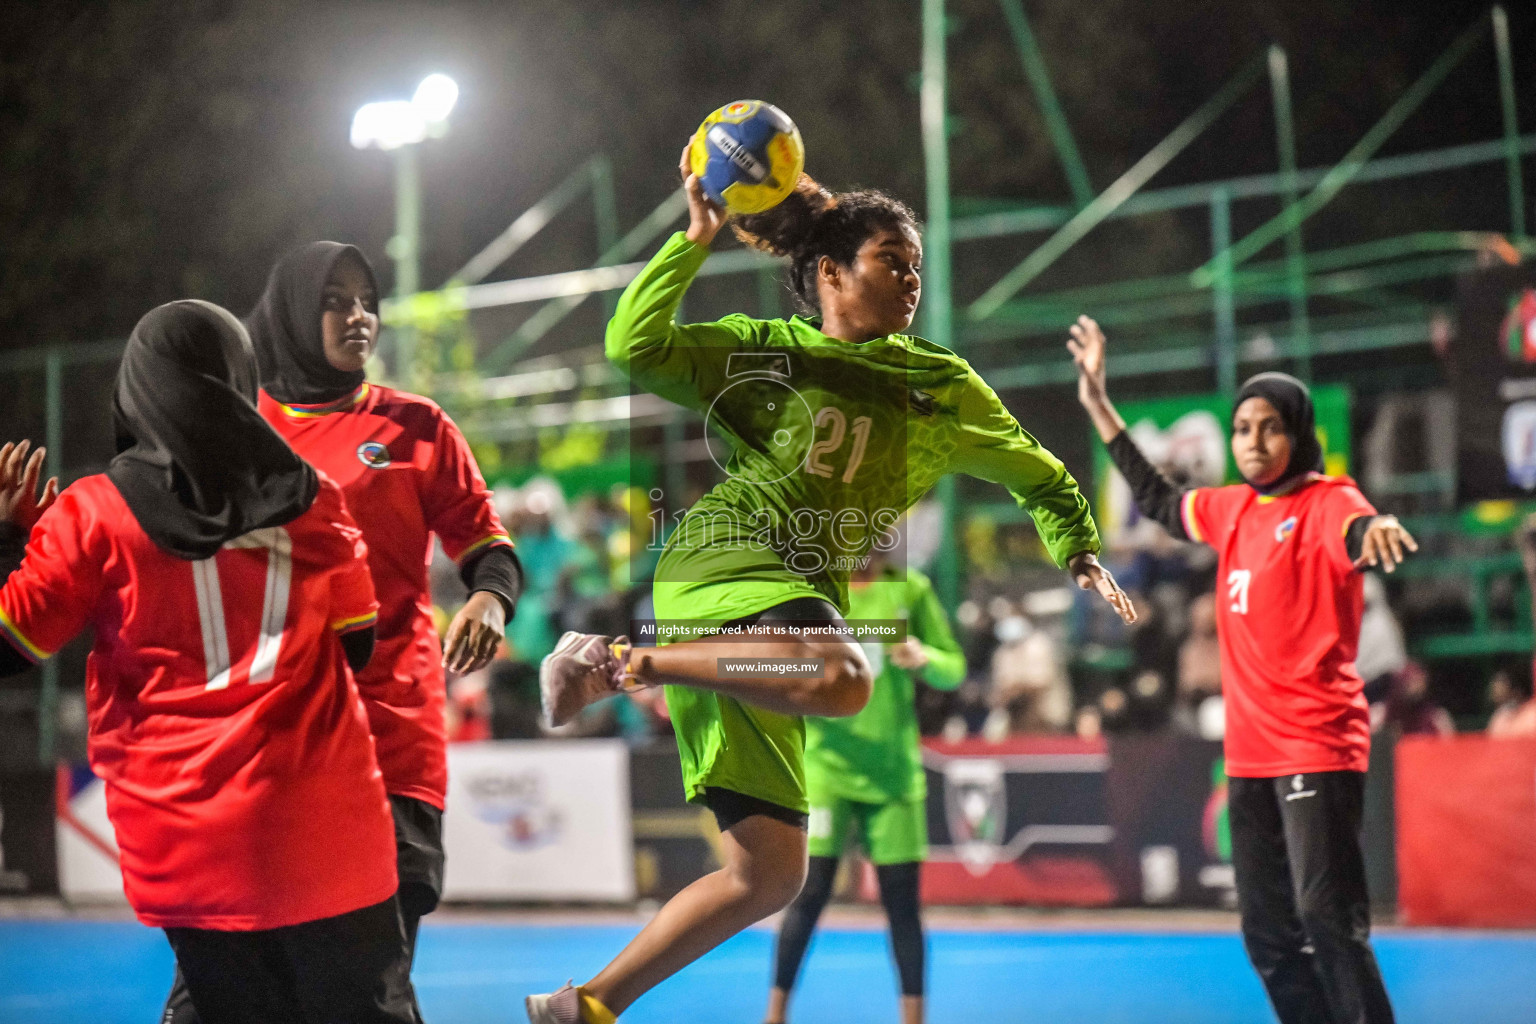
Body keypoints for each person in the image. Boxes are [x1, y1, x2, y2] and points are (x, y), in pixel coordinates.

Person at [523, 148, 1134, 1024]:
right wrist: (693, 240)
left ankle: (584, 1007)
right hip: (723, 565)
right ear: (830, 272)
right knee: (846, 679)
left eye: (916, 265)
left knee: (769, 873)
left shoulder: (938, 385)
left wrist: (1076, 550)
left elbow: (1035, 471)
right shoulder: (769, 355)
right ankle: (624, 664)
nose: (913, 279)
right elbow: (635, 345)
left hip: (779, 622)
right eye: (894, 261)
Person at [0, 302, 419, 1024]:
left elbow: (9, 646)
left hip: (188, 845)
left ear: (137, 389)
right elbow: (355, 646)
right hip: (329, 834)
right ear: (238, 381)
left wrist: (15, 545)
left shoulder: (88, 515)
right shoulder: (315, 499)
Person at [1070, 314, 1416, 1024]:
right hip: (1250, 756)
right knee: (1267, 937)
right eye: (1242, 429)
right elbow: (1161, 501)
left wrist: (1371, 530)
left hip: (1317, 745)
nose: (1253, 443)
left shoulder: (1327, 502)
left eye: (1269, 428)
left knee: (1330, 923)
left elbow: (1355, 529)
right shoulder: (1232, 510)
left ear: (1298, 433)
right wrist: (1100, 408)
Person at [248, 241, 522, 953]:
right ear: (290, 314)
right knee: (243, 975)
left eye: (367, 300)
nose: (358, 316)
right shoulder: (239, 433)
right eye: (334, 300)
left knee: (375, 968)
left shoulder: (417, 426)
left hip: (391, 725)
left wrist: (489, 599)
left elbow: (485, 543)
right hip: (271, 735)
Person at [765, 556, 963, 1024]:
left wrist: (926, 659)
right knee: (808, 894)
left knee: (902, 903)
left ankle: (913, 1018)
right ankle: (774, 1015)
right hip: (825, 769)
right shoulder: (811, 592)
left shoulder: (910, 589)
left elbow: (953, 669)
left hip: (893, 773)